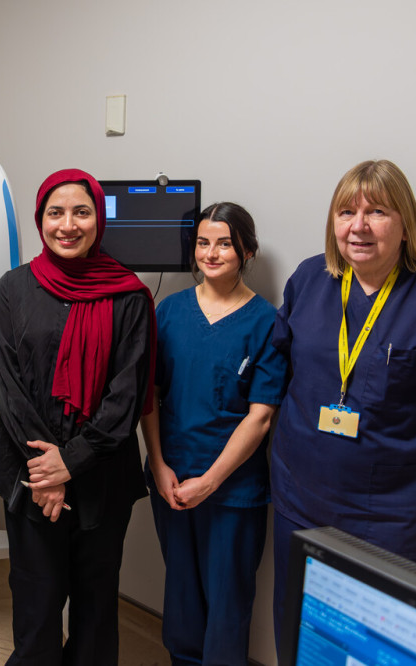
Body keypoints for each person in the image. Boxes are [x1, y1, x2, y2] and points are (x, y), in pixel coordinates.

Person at [269, 159, 416, 646]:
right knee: (304, 638)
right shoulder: (310, 279)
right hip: (302, 505)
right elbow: (281, 375)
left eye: (376, 212)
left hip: (397, 523)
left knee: (380, 648)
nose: (357, 226)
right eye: (345, 212)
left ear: (405, 224)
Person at [0, 168, 155, 665]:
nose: (68, 224)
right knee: (36, 602)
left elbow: (128, 395)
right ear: (41, 219)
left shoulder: (128, 295)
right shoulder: (12, 290)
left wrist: (71, 462)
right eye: (56, 212)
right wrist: (48, 471)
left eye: (81, 212)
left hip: (103, 474)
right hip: (29, 471)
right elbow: (9, 388)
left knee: (97, 603)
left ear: (98, 219)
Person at [140, 203, 287, 665]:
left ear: (246, 250)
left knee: (228, 601)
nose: (212, 252)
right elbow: (152, 397)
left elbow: (260, 417)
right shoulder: (169, 312)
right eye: (203, 242)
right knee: (181, 591)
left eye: (224, 242)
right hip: (172, 480)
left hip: (232, 491)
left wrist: (210, 481)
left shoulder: (266, 322)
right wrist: (160, 465)